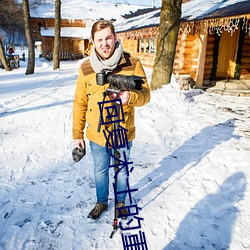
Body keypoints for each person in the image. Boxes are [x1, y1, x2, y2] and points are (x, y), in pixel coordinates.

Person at [72, 20, 150, 220]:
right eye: (99, 40)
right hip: (97, 135)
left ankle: (121, 202)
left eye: (108, 38)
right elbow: (80, 102)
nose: (104, 43)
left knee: (122, 171)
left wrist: (130, 97)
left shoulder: (132, 63)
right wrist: (77, 134)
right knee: (100, 171)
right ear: (93, 42)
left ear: (115, 38)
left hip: (123, 131)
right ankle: (101, 202)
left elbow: (146, 95)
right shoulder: (86, 68)